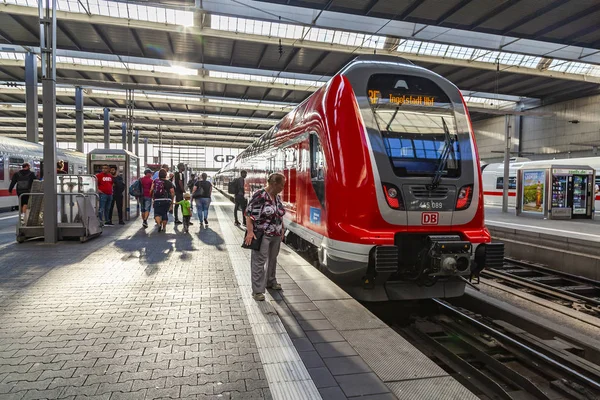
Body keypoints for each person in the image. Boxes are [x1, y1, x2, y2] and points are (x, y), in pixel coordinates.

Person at [244, 173, 286, 301]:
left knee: (273, 259)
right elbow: (248, 214)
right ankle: (257, 291)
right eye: (281, 185)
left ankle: (271, 281)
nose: (283, 188)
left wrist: (282, 228)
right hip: (262, 234)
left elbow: (278, 214)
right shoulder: (260, 195)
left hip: (276, 234)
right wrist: (250, 232)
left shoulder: (276, 197)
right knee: (259, 261)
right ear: (274, 183)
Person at [151, 168, 175, 233]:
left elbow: (152, 190)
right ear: (165, 174)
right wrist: (172, 201)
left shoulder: (155, 181)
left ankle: (159, 224)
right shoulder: (169, 182)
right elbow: (172, 192)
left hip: (157, 199)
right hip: (167, 200)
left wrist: (153, 198)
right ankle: (164, 227)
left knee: (157, 213)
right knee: (164, 213)